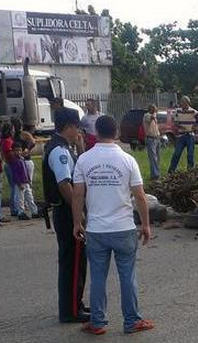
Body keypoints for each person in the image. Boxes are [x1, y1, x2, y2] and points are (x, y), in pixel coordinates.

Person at [72, 115, 154, 335]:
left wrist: (76, 222)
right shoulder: (127, 160)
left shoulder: (84, 160)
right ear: (116, 132)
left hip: (96, 229)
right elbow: (140, 196)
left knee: (97, 277)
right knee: (127, 275)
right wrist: (145, 224)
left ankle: (97, 322)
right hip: (123, 227)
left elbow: (78, 194)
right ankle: (131, 321)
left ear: (96, 132)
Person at [42, 107, 89, 323]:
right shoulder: (59, 151)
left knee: (76, 262)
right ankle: (70, 311)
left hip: (65, 211)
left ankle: (75, 303)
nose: (78, 131)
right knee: (72, 261)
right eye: (76, 127)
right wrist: (77, 213)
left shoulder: (62, 147)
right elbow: (64, 184)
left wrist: (79, 148)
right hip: (66, 211)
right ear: (69, 126)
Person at [168, 96, 198, 173]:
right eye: (181, 102)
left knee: (190, 155)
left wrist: (196, 125)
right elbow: (174, 122)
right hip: (180, 136)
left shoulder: (193, 111)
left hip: (190, 135)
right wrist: (179, 126)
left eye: (183, 102)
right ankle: (171, 171)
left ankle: (190, 171)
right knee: (176, 154)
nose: (181, 104)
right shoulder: (177, 111)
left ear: (187, 103)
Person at [13, 120, 38, 218]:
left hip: (25, 178)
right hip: (21, 180)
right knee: (21, 196)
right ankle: (21, 211)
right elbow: (16, 173)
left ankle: (33, 210)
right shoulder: (17, 160)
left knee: (28, 194)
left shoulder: (20, 158)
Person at [10, 142, 37, 219]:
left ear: (21, 150)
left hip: (26, 182)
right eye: (15, 150)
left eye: (19, 150)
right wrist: (19, 183)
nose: (18, 152)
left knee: (30, 197)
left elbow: (26, 171)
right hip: (20, 184)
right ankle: (21, 213)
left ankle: (34, 212)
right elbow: (15, 174)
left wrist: (29, 180)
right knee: (20, 199)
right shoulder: (14, 161)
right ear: (13, 151)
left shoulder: (22, 159)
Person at [1, 123, 19, 218]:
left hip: (8, 164)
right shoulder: (8, 141)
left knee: (13, 186)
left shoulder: (4, 140)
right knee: (14, 187)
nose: (14, 131)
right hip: (11, 164)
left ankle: (14, 207)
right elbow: (9, 154)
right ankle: (14, 208)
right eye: (12, 129)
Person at [143, 104, 161, 180]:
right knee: (153, 157)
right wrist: (155, 113)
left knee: (157, 157)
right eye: (154, 108)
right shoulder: (147, 115)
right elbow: (151, 118)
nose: (156, 110)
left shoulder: (154, 116)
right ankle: (155, 175)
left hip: (156, 138)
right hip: (150, 139)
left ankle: (156, 172)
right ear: (151, 109)